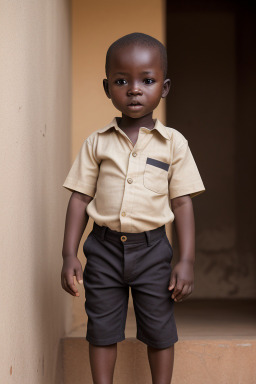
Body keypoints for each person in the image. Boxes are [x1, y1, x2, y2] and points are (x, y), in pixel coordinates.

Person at [61, 32, 205, 384]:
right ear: (108, 87)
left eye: (148, 80)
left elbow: (182, 201)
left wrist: (185, 261)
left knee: (159, 329)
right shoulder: (97, 143)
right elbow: (79, 198)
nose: (135, 89)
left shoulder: (174, 144)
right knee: (102, 328)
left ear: (165, 87)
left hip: (153, 251)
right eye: (122, 81)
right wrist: (69, 254)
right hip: (103, 249)